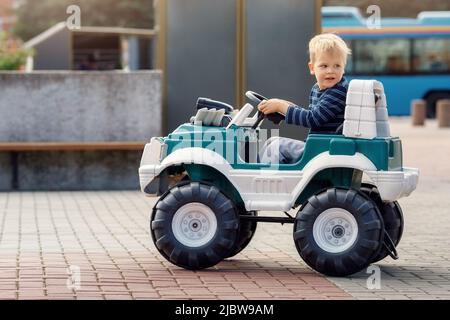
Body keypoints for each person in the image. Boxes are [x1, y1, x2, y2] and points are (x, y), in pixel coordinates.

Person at [258, 33, 351, 164]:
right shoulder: (318, 89)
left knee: (275, 147)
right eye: (324, 66)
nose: (331, 71)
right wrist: (282, 111)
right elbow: (313, 115)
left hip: (325, 150)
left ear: (343, 68)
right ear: (312, 68)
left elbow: (312, 119)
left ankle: (266, 180)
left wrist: (281, 106)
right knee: (271, 142)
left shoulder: (339, 91)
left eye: (337, 66)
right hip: (319, 146)